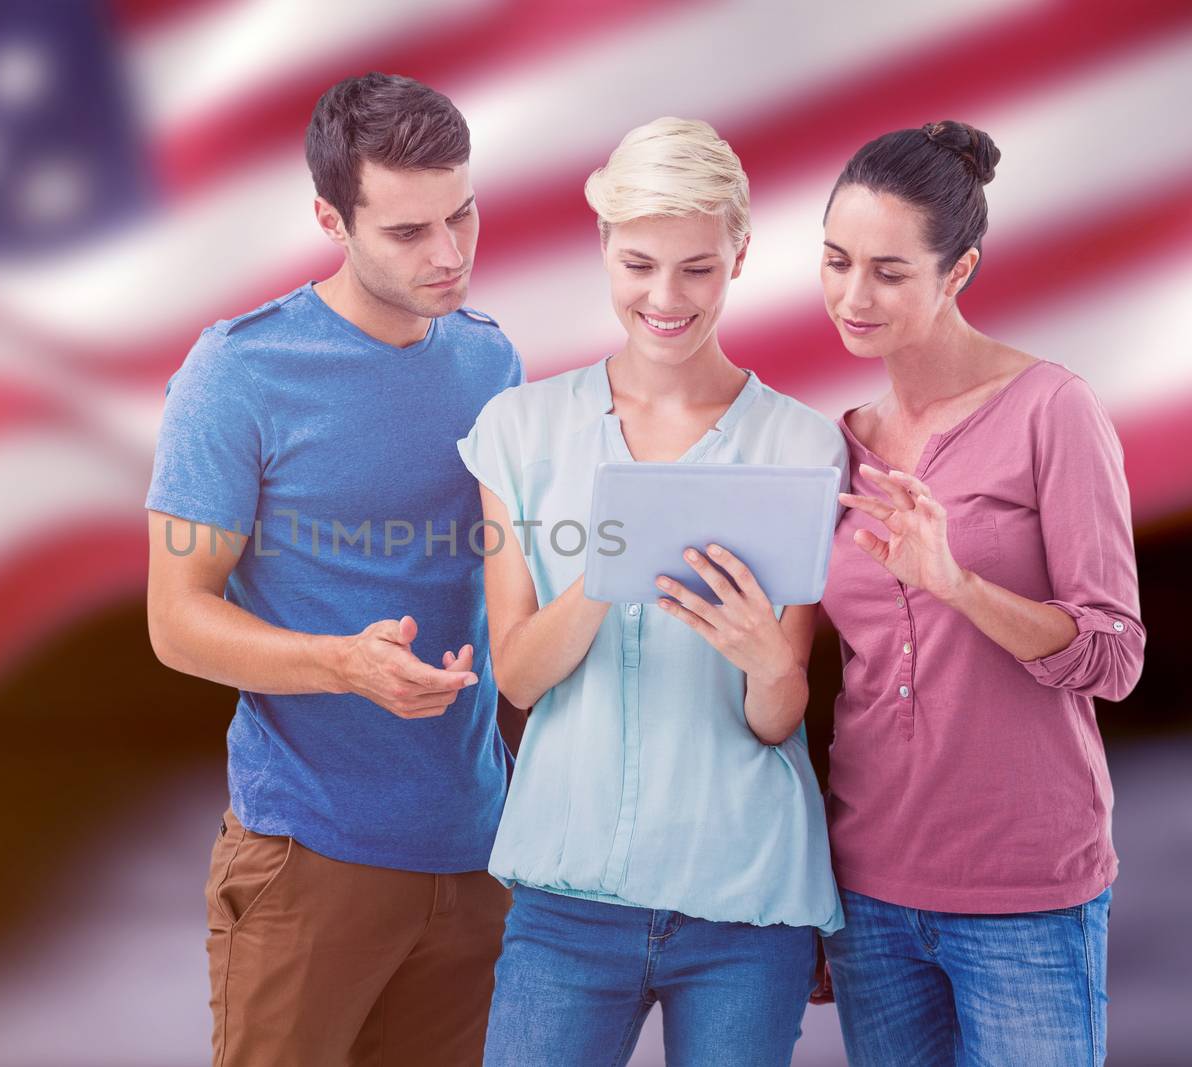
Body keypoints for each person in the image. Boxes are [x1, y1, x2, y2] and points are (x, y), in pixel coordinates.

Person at [143, 72, 522, 1066]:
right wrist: (342, 662)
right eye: (408, 232)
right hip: (310, 859)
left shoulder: (492, 362)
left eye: (462, 216)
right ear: (329, 218)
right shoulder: (238, 372)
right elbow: (176, 618)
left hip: (479, 851)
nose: (449, 254)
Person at [460, 117, 843, 1067]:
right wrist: (606, 566)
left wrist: (763, 659)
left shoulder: (801, 446)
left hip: (743, 904)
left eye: (697, 268)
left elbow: (775, 715)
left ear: (740, 257)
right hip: (567, 905)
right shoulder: (519, 430)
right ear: (602, 250)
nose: (665, 298)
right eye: (638, 264)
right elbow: (518, 676)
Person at [816, 120, 1146, 1067]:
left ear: (957, 273)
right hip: (871, 892)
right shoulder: (836, 441)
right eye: (836, 261)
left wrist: (958, 583)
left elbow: (1114, 657)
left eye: (888, 270)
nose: (852, 294)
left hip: (1028, 896)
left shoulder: (1055, 410)